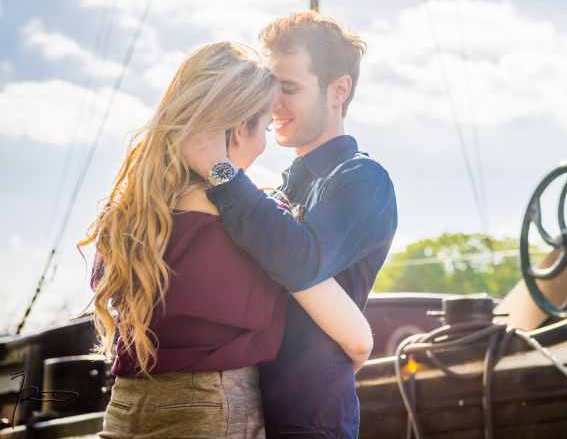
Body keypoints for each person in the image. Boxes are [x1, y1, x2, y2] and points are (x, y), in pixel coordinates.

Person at [81, 41, 374, 438]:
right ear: (239, 128)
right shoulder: (252, 221)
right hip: (212, 408)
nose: (266, 140)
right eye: (265, 127)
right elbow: (357, 338)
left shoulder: (128, 214)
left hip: (126, 406)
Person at [182, 11, 398, 439]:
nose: (272, 104)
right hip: (238, 413)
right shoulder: (273, 188)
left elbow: (301, 260)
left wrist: (221, 172)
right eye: (269, 87)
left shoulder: (362, 179)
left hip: (307, 420)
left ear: (339, 89)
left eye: (290, 89)